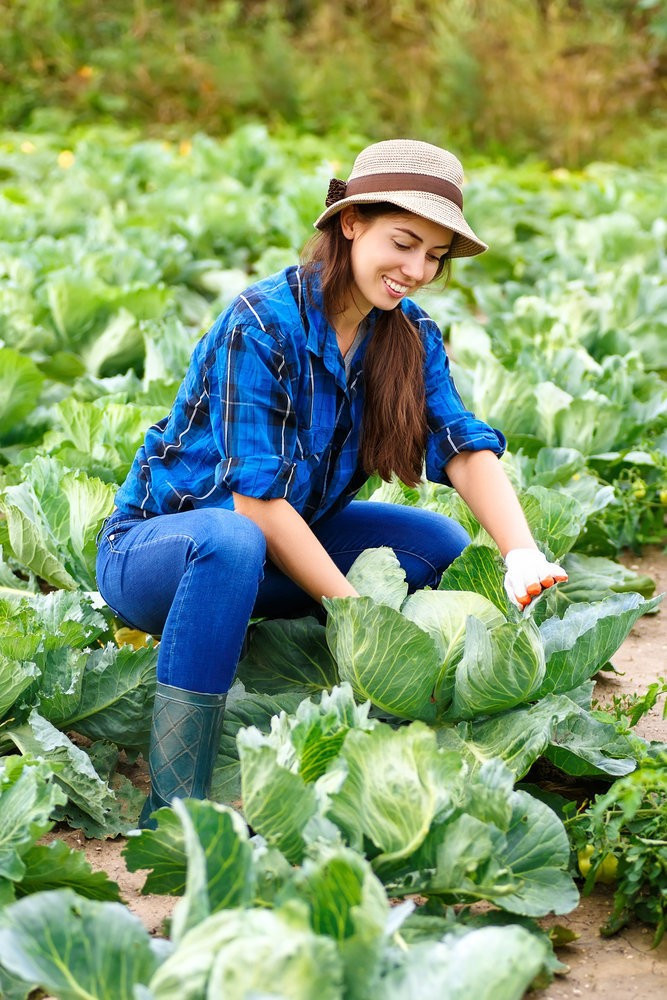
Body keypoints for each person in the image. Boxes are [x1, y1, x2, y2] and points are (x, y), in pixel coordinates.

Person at [96, 139, 567, 828]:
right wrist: (358, 620)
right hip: (161, 556)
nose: (417, 269)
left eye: (434, 256)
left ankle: (321, 706)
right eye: (403, 243)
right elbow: (256, 503)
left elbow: (461, 444)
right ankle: (174, 808)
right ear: (350, 224)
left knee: (431, 540)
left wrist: (520, 551)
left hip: (272, 549)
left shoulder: (404, 336)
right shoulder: (260, 323)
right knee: (229, 540)